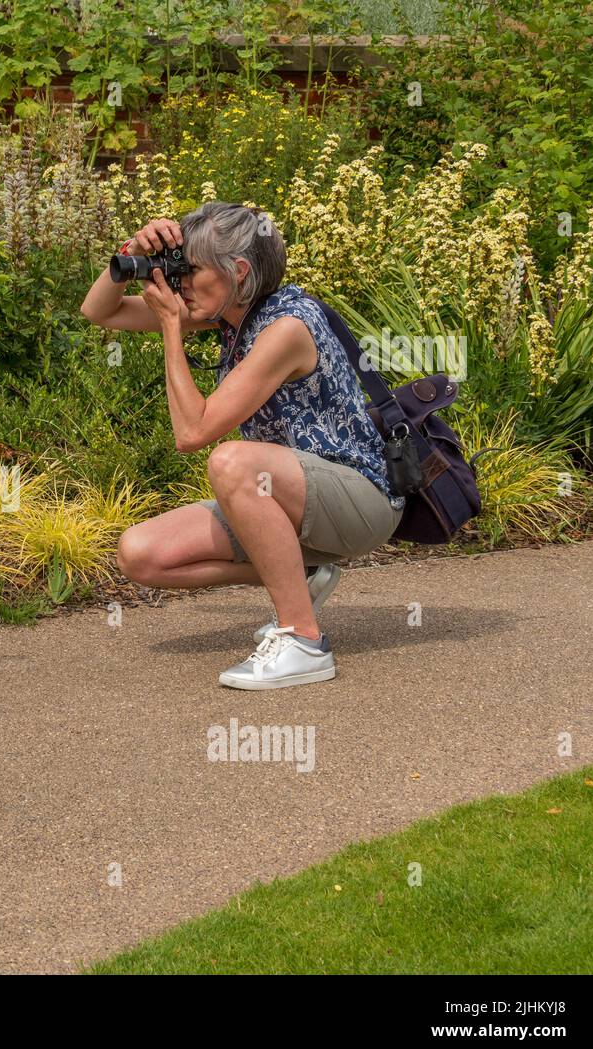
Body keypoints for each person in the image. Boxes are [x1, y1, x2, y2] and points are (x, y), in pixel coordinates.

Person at [79, 201, 405, 690]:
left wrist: (171, 325)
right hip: (293, 498)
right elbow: (98, 311)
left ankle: (303, 641)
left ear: (238, 272)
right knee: (140, 553)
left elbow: (193, 433)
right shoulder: (231, 316)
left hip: (359, 499)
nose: (180, 282)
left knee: (231, 461)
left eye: (190, 270)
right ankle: (303, 575)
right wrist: (130, 251)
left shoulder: (286, 328)